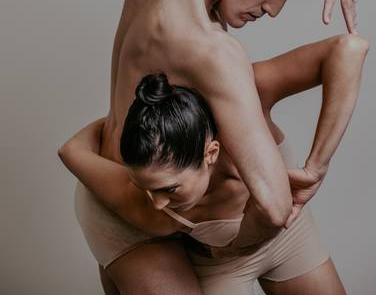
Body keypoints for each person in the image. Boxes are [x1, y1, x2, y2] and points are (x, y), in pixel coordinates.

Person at [59, 0, 364, 294]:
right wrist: (234, 246)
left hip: (176, 189)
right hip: (139, 203)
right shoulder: (210, 53)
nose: (273, 10)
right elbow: (275, 205)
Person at [60, 29, 368, 295]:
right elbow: (71, 150)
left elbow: (349, 50)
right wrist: (122, 122)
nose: (157, 202)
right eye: (148, 188)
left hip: (290, 239)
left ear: (211, 153)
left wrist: (317, 166)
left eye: (169, 188)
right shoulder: (148, 208)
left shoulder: (245, 100)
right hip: (219, 265)